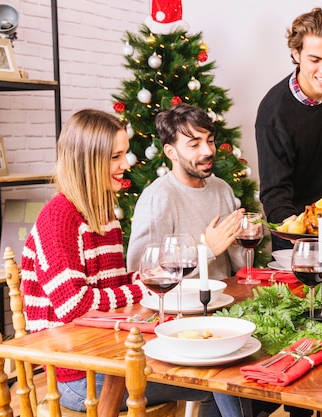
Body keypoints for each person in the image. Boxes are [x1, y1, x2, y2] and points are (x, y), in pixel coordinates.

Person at [20, 109, 247, 416]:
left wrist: (139, 279)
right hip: (78, 374)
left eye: (124, 154)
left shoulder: (104, 215)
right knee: (214, 382)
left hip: (109, 354)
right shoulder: (59, 217)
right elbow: (75, 305)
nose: (126, 165)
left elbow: (111, 289)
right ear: (88, 161)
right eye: (116, 157)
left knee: (220, 370)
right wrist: (140, 287)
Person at [255, 7, 322, 252]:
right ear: (296, 53)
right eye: (315, 60)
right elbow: (274, 191)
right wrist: (294, 230)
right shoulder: (273, 113)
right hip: (294, 233)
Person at [126, 103, 244, 280]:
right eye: (195, 145)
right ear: (171, 152)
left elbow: (240, 266)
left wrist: (236, 241)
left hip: (226, 301)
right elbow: (144, 273)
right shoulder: (157, 198)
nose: (208, 151)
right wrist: (207, 250)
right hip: (179, 306)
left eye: (210, 141)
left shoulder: (222, 189)